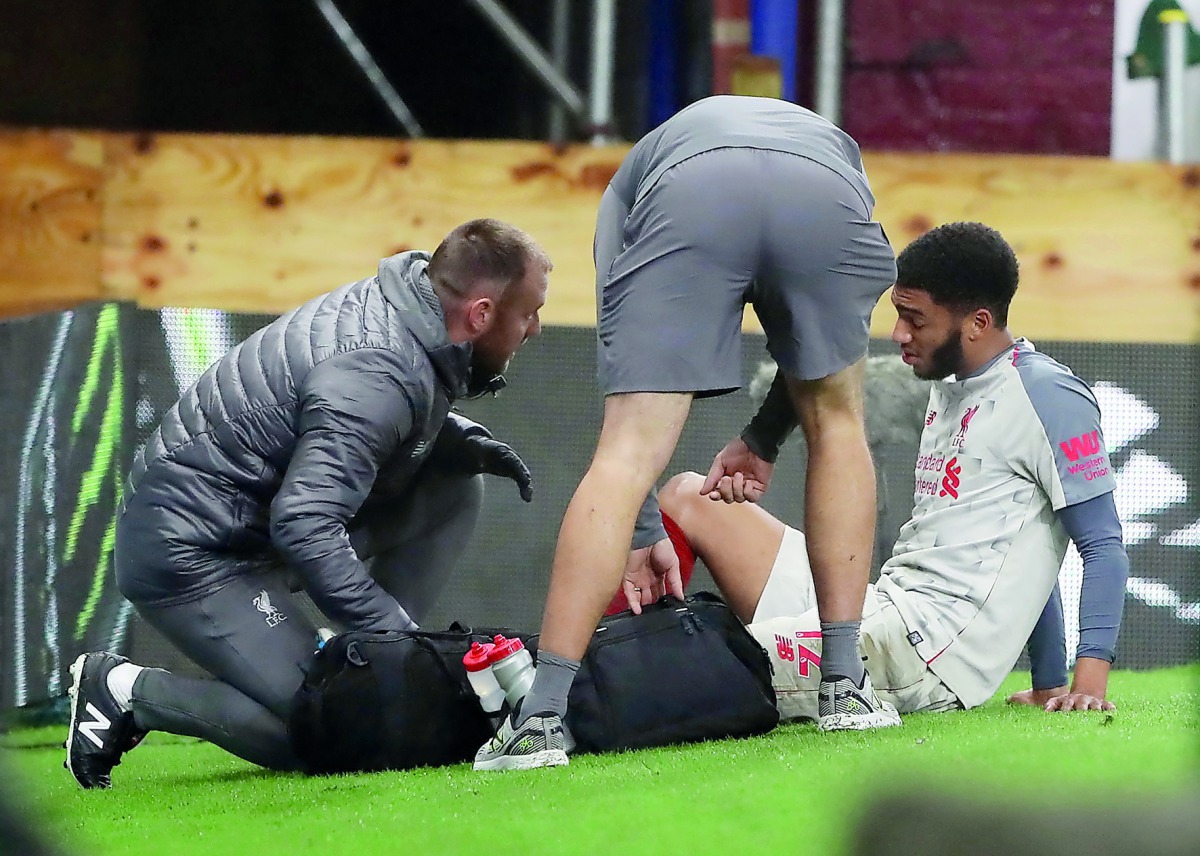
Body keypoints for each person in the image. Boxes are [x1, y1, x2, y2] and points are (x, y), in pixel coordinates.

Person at [476, 95, 900, 771]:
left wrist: (645, 524)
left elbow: (621, 367)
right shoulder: (833, 147)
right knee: (839, 423)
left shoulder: (635, 177)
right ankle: (845, 687)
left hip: (692, 191)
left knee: (625, 453)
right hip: (826, 191)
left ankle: (541, 718)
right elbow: (815, 360)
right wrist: (764, 438)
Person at [64, 219, 551, 788]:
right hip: (192, 550)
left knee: (454, 484)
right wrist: (401, 638)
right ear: (481, 314)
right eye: (529, 313)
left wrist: (453, 437)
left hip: (255, 518)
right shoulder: (378, 368)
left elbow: (338, 421)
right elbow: (306, 523)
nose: (536, 329)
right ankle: (125, 691)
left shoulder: (414, 312)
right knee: (331, 729)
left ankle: (374, 666)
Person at [659, 221, 1128, 721]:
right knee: (689, 496)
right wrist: (1047, 683)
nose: (899, 333)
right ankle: (622, 640)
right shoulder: (953, 387)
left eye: (915, 320)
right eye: (898, 314)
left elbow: (1102, 545)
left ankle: (612, 677)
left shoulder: (1049, 395)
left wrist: (1086, 686)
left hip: (918, 656)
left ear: (977, 323)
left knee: (685, 668)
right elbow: (1029, 545)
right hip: (879, 603)